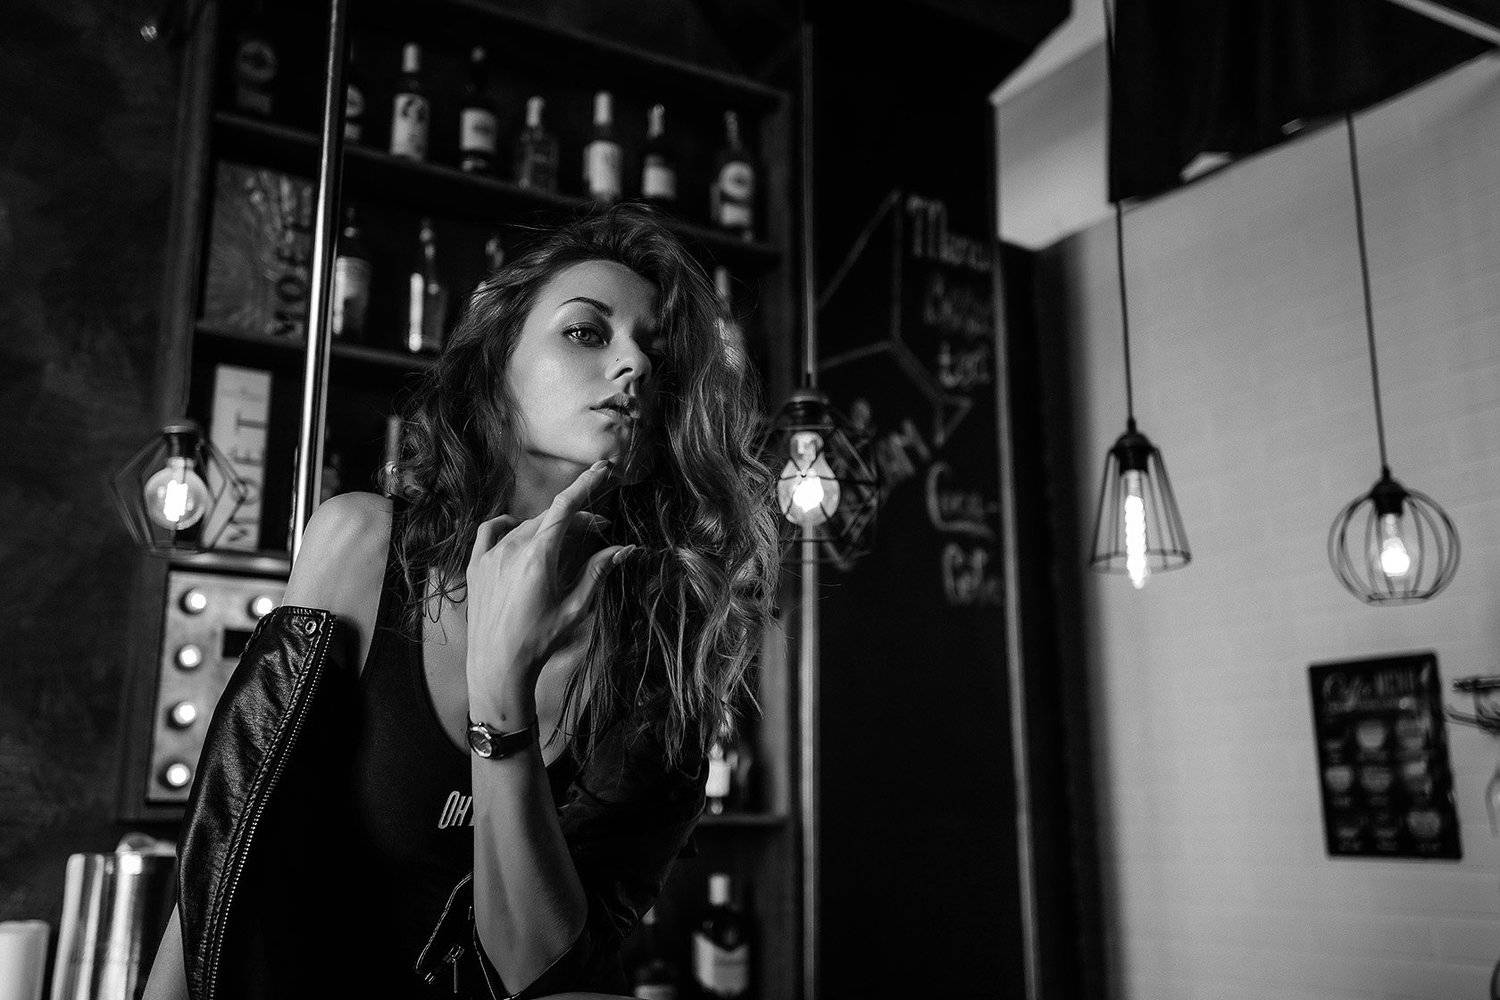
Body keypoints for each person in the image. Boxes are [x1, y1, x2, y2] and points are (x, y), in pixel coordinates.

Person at [142, 205, 782, 999]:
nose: (634, 366)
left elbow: (542, 974)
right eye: (587, 333)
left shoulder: (667, 647)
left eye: (658, 354)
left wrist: (500, 692)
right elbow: (226, 851)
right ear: (496, 364)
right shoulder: (361, 547)